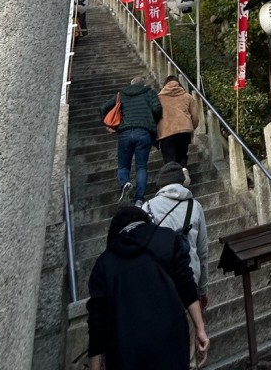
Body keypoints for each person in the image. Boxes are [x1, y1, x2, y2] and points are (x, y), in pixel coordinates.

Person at [87, 206, 209, 370]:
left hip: (125, 352)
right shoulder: (167, 238)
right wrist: (200, 328)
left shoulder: (103, 264)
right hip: (171, 341)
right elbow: (187, 286)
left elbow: (97, 326)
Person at [144, 162, 211, 365]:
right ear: (183, 182)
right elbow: (203, 251)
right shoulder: (195, 206)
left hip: (161, 281)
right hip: (190, 279)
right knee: (191, 337)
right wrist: (203, 289)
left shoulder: (147, 208)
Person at [100, 75, 162, 204]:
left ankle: (125, 183)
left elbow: (104, 108)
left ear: (131, 84)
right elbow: (157, 109)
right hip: (144, 132)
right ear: (143, 84)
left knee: (123, 165)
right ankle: (139, 199)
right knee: (141, 167)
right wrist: (151, 121)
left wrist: (109, 125)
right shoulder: (149, 93)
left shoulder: (121, 94)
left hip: (125, 133)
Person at [157, 74, 199, 168]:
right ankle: (183, 170)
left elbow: (155, 116)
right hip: (184, 130)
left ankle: (173, 177)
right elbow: (195, 117)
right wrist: (191, 127)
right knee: (182, 155)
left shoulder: (158, 99)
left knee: (169, 160)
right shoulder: (187, 97)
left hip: (166, 133)